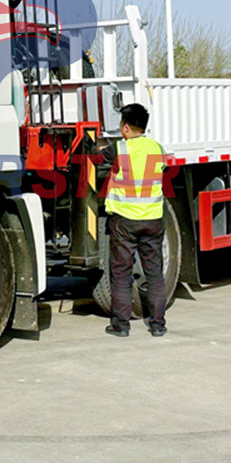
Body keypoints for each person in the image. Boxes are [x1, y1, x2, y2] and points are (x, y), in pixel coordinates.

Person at [102, 103, 167, 337]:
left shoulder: (119, 149)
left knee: (121, 273)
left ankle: (121, 325)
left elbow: (97, 160)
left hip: (125, 221)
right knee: (155, 273)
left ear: (126, 127)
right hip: (153, 219)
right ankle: (157, 324)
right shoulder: (157, 148)